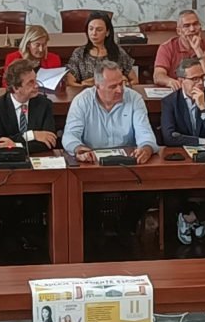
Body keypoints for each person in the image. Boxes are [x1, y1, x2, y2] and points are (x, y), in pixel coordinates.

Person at [65, 62, 162, 256]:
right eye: (113, 86)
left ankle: (125, 228)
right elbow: (69, 136)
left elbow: (146, 134)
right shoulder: (82, 101)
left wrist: (146, 148)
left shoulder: (134, 98)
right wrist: (80, 149)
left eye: (122, 83)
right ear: (97, 86)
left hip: (128, 167)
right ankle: (94, 235)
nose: (120, 90)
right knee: (81, 195)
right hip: (93, 168)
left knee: (147, 192)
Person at [0, 60, 60, 259]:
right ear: (15, 88)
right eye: (30, 83)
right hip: (7, 169)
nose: (37, 86)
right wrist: (32, 135)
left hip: (37, 168)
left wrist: (15, 143)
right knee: (4, 198)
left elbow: (49, 142)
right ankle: (15, 233)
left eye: (36, 80)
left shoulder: (44, 104)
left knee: (39, 196)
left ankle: (11, 232)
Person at [158, 59, 205, 247]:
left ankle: (192, 217)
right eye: (194, 79)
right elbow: (169, 137)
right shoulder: (170, 102)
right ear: (181, 80)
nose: (200, 83)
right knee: (171, 195)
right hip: (180, 164)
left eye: (202, 78)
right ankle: (192, 218)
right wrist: (201, 141)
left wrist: (204, 109)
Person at [153, 7, 205, 85]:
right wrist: (171, 82)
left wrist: (198, 51)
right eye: (187, 26)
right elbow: (158, 76)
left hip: (201, 89)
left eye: (195, 24)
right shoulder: (166, 47)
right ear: (179, 31)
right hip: (178, 89)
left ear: (200, 27)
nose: (192, 29)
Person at [68, 14, 138, 87]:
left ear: (107, 32)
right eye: (91, 29)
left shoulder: (118, 52)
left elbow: (134, 80)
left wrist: (123, 85)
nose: (94, 33)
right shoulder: (79, 53)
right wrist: (88, 87)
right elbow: (70, 83)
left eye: (99, 30)